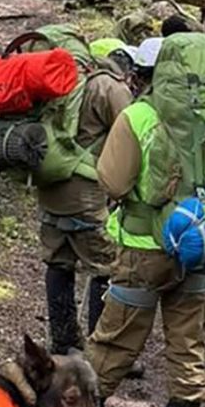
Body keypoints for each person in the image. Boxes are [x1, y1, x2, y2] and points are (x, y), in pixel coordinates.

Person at [88, 33, 205, 407]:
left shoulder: (138, 115)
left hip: (143, 249)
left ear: (142, 75)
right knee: (187, 342)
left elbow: (113, 182)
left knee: (116, 338)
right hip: (199, 244)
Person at [35, 30, 133, 358]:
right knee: (107, 266)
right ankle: (101, 346)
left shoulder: (51, 85)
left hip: (48, 185)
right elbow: (133, 131)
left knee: (59, 261)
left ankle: (63, 343)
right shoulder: (104, 86)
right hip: (86, 192)